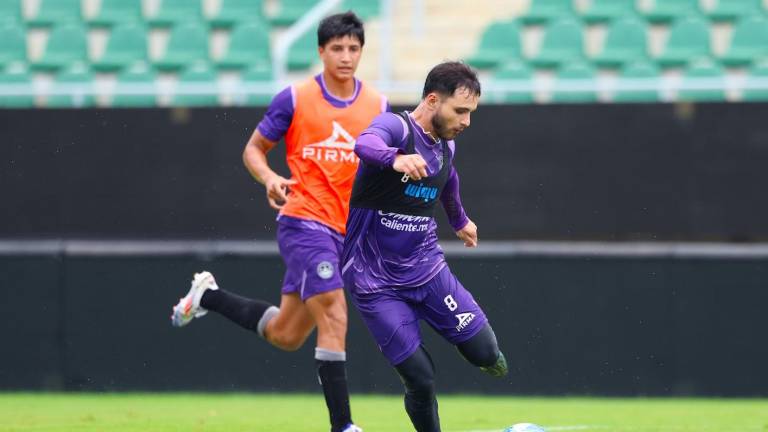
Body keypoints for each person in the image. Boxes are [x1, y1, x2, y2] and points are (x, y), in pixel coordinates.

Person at [170, 11, 388, 432]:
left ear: (362, 52)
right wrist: (269, 176)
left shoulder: (377, 106)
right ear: (321, 51)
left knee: (287, 334)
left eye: (353, 48)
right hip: (303, 222)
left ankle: (208, 297)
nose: (346, 56)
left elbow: (381, 167)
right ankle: (343, 426)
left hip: (347, 233)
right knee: (335, 312)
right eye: (337, 48)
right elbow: (254, 149)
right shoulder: (295, 97)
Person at [341, 61, 508, 432]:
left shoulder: (447, 145)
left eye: (471, 113)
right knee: (420, 377)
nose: (466, 121)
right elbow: (364, 143)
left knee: (486, 355)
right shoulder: (397, 128)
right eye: (460, 111)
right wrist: (395, 158)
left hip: (428, 270)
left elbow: (448, 180)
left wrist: (460, 219)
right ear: (433, 100)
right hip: (374, 280)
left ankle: (488, 355)